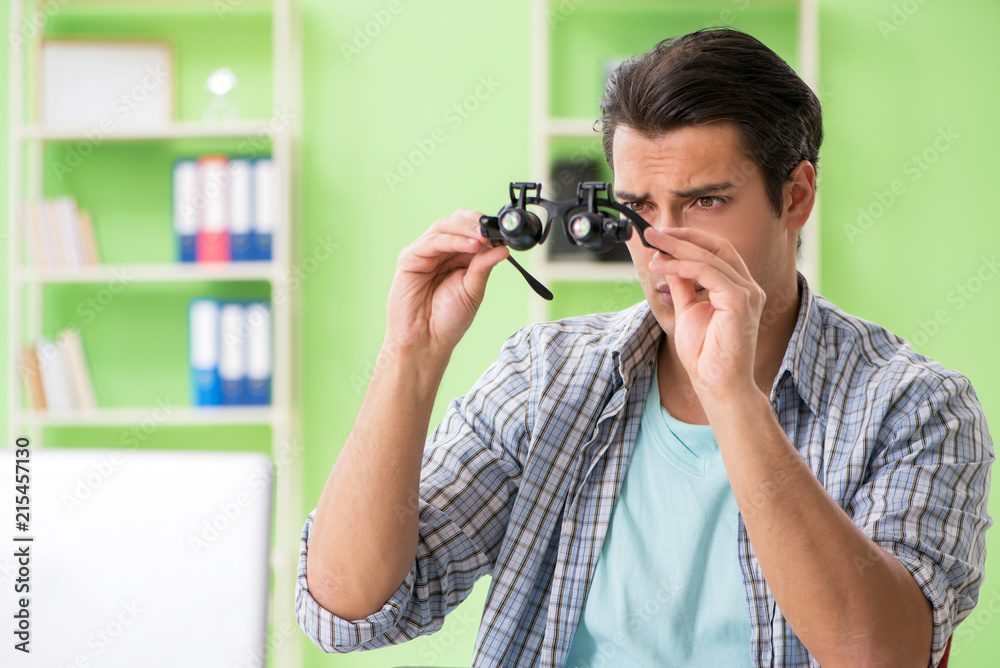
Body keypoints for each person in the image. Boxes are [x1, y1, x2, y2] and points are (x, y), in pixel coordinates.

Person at [295, 28, 993, 668]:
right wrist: (408, 357)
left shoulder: (916, 405)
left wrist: (732, 396)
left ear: (798, 195)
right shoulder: (547, 375)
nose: (661, 248)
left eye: (704, 202)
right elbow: (347, 611)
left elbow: (880, 656)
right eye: (637, 210)